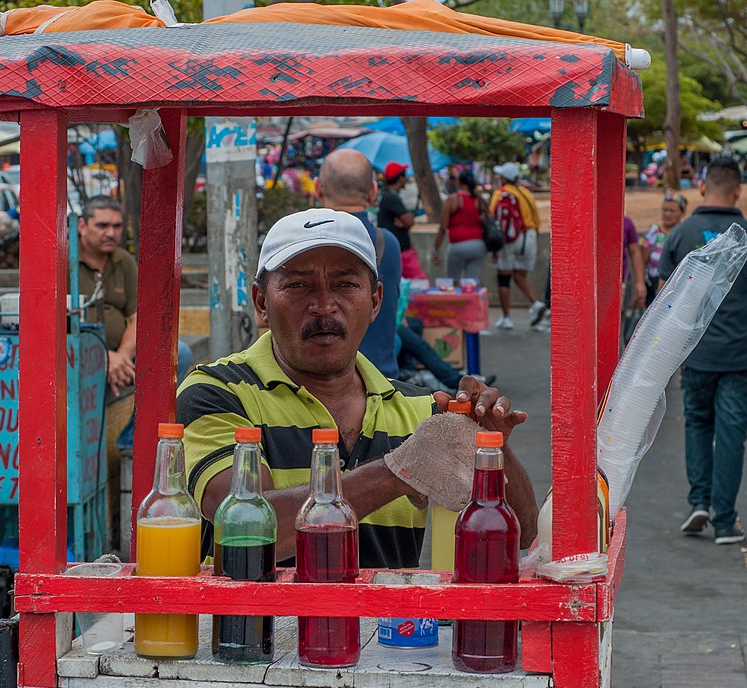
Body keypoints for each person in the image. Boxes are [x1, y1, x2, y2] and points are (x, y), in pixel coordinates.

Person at [177, 208, 537, 567]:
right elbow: (244, 521)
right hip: (255, 626)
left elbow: (523, 531)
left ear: (376, 301)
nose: (323, 306)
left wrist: (494, 446)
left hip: (391, 627)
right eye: (298, 285)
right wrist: (397, 471)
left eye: (345, 284)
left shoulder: (419, 410)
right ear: (261, 302)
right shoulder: (218, 392)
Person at [658, 157, 747, 545]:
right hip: (740, 357)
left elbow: (665, 299)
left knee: (698, 423)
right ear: (738, 191)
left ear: (702, 187)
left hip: (695, 355)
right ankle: (726, 521)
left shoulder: (680, 235)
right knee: (732, 433)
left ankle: (699, 502)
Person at [75, 196, 191, 449]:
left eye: (117, 227)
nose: (111, 233)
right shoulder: (66, 261)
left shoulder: (123, 261)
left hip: (120, 358)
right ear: (82, 225)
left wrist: (121, 356)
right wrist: (103, 356)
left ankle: (132, 440)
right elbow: (55, 327)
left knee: (178, 353)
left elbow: (138, 317)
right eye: (103, 225)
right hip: (77, 355)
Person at [316, 148, 400, 379]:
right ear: (373, 191)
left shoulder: (305, 245)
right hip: (381, 380)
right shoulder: (388, 243)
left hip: (318, 383)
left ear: (316, 188)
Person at [489, 162, 545, 329]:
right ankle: (535, 303)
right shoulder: (527, 193)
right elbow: (535, 221)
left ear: (504, 179)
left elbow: (493, 216)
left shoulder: (501, 193)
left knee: (504, 276)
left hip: (510, 238)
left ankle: (507, 317)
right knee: (520, 275)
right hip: (529, 237)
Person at [432, 170, 488, 282]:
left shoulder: (453, 200)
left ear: (459, 182)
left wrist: (436, 249)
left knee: (452, 282)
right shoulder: (480, 200)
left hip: (458, 247)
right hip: (479, 246)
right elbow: (490, 220)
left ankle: (455, 300)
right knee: (471, 282)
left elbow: (443, 228)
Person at [377, 161, 426, 280]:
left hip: (397, 250)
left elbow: (407, 221)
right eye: (405, 176)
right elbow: (409, 221)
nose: (407, 179)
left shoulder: (389, 195)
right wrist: (406, 221)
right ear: (400, 178)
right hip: (402, 252)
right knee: (420, 282)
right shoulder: (391, 197)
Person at [640, 191, 688, 305]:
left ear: (682, 213)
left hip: (678, 289)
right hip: (653, 287)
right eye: (665, 210)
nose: (667, 214)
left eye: (672, 211)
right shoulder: (653, 232)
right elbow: (641, 261)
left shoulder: (684, 234)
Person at [620, 214, 647, 345]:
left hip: (621, 284)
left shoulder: (626, 223)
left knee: (621, 322)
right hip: (593, 285)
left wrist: (640, 282)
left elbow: (635, 252)